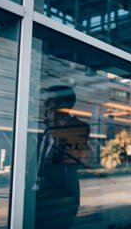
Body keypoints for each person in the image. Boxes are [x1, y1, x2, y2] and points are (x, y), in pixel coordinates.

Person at [35, 85, 90, 228]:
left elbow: (68, 160)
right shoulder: (47, 129)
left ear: (63, 105)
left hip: (62, 197)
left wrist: (52, 123)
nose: (45, 104)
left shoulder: (79, 127)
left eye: (50, 101)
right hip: (40, 195)